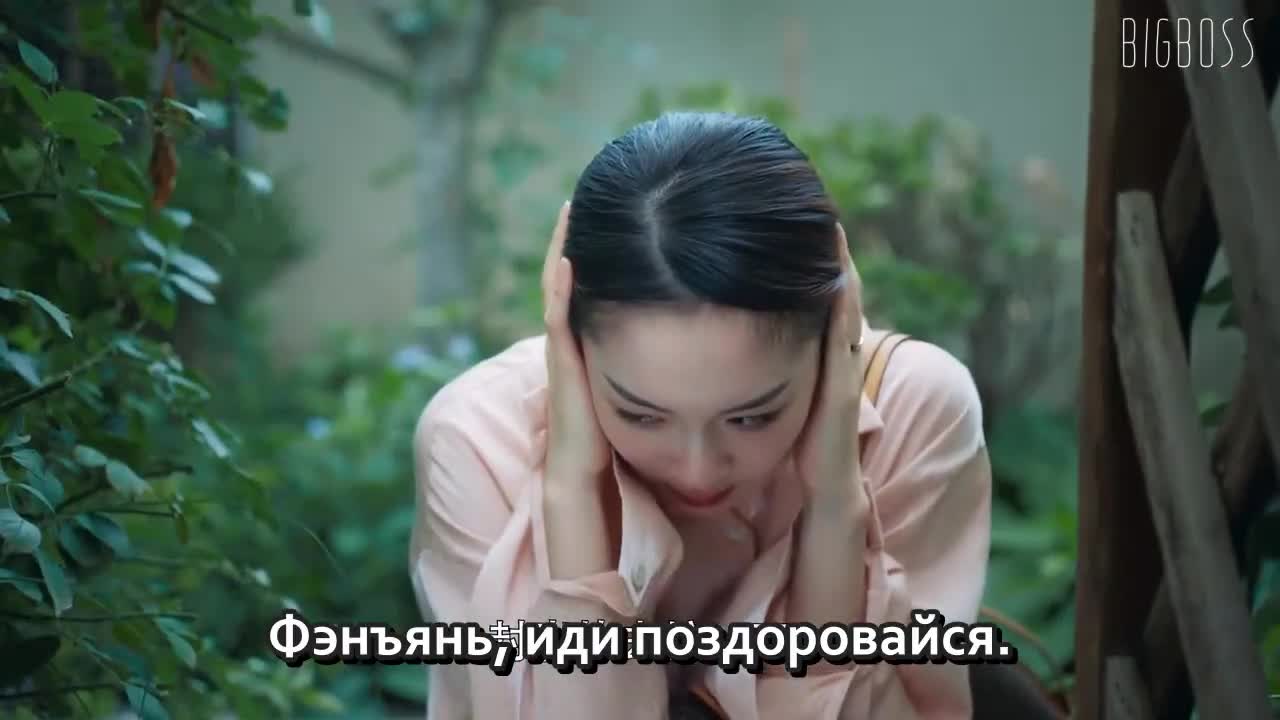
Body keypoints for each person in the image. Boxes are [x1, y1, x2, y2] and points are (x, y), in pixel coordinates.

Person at [408, 111, 992, 719]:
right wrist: (572, 493)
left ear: (833, 325)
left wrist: (835, 507)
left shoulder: (913, 410)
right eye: (640, 415)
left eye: (752, 417)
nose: (699, 470)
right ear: (571, 338)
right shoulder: (477, 442)